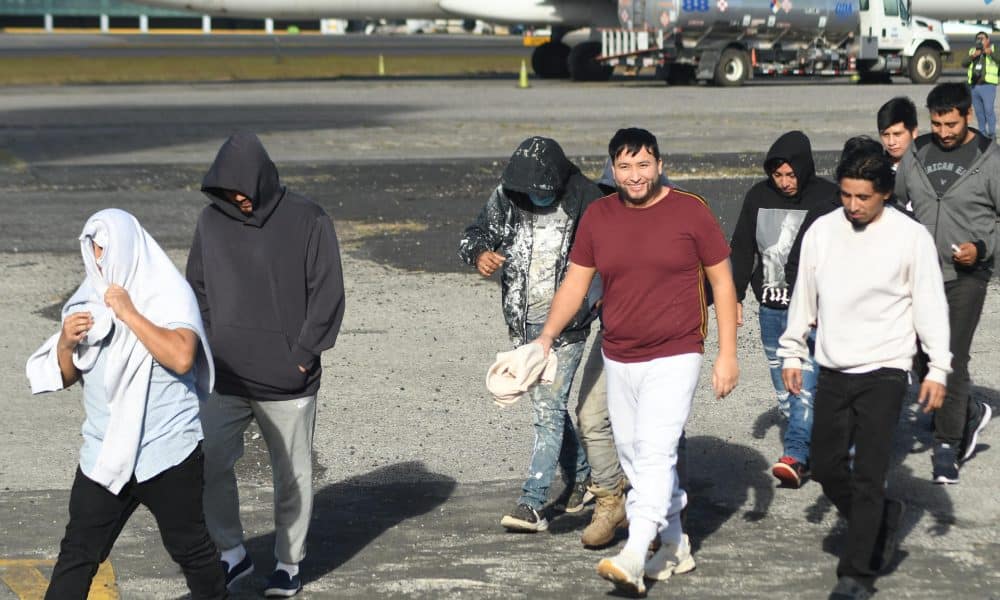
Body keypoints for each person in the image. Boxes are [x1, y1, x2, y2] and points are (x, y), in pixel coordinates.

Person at [534, 128, 739, 595]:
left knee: (655, 450)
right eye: (624, 167)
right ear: (613, 169)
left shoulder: (691, 211)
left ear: (660, 165)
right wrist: (545, 338)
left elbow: (723, 283)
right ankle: (675, 543)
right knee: (634, 455)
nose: (634, 175)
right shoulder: (599, 216)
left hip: (677, 351)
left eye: (643, 164)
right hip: (619, 353)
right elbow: (575, 283)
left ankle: (634, 552)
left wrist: (727, 354)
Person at [779, 138, 951, 600]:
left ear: (885, 194)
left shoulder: (910, 237)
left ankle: (855, 575)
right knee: (827, 466)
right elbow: (804, 296)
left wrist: (938, 368)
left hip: (886, 369)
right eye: (846, 195)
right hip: (834, 366)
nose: (853, 205)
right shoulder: (822, 231)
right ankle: (881, 519)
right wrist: (792, 351)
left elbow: (930, 305)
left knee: (871, 473)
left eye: (863, 197)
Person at [26, 209, 225, 600]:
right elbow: (66, 375)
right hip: (105, 453)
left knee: (191, 550)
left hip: (165, 452)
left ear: (128, 247)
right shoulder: (88, 298)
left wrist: (130, 313)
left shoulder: (168, 293)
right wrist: (65, 343)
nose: (99, 259)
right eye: (93, 250)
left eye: (105, 249)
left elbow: (182, 357)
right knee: (78, 553)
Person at [187, 132, 346, 597]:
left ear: (262, 178)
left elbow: (328, 294)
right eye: (228, 189)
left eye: (243, 188)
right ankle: (231, 554)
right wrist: (208, 347)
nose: (238, 197)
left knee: (292, 476)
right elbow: (196, 288)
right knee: (207, 463)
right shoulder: (210, 222)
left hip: (288, 381)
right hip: (225, 377)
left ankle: (288, 564)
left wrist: (302, 357)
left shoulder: (308, 218)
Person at [459, 136, 601, 532]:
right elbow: (475, 233)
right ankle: (586, 477)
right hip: (523, 324)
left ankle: (532, 503)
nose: (537, 197)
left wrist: (602, 301)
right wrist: (479, 254)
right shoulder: (509, 194)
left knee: (547, 410)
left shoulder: (586, 199)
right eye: (531, 192)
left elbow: (609, 256)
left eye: (544, 191)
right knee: (547, 404)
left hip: (569, 326)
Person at [894, 82, 997, 484]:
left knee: (950, 357)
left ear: (968, 115)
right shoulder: (917, 154)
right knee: (917, 355)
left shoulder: (990, 158)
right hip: (920, 276)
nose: (944, 132)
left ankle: (946, 446)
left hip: (966, 276)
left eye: (951, 124)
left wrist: (982, 248)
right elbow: (895, 204)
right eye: (936, 124)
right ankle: (968, 411)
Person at [730, 130, 837, 487]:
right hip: (771, 308)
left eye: (791, 174)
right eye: (778, 175)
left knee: (802, 383)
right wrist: (735, 296)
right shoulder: (758, 196)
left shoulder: (826, 197)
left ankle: (796, 454)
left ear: (804, 169)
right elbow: (742, 247)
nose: (785, 182)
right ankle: (812, 447)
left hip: (811, 310)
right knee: (783, 387)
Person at [963, 31, 998, 139]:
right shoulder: (973, 51)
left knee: (988, 110)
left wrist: (990, 53)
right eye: (978, 38)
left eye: (982, 38)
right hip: (974, 86)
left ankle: (992, 134)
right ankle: (982, 134)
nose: (980, 40)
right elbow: (964, 63)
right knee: (979, 112)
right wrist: (973, 56)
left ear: (988, 40)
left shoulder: (994, 49)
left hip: (988, 86)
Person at [877, 97, 919, 172]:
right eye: (885, 135)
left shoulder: (929, 165)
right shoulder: (875, 170)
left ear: (913, 132)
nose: (891, 142)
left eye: (897, 134)